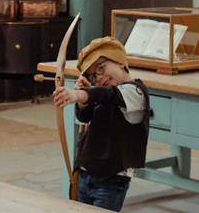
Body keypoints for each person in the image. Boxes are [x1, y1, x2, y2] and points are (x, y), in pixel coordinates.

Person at [52, 36, 150, 211]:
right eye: (92, 76)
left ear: (120, 61)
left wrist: (80, 95)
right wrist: (84, 100)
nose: (99, 77)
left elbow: (109, 95)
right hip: (85, 174)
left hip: (110, 182)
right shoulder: (101, 92)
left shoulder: (135, 92)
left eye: (101, 68)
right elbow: (85, 116)